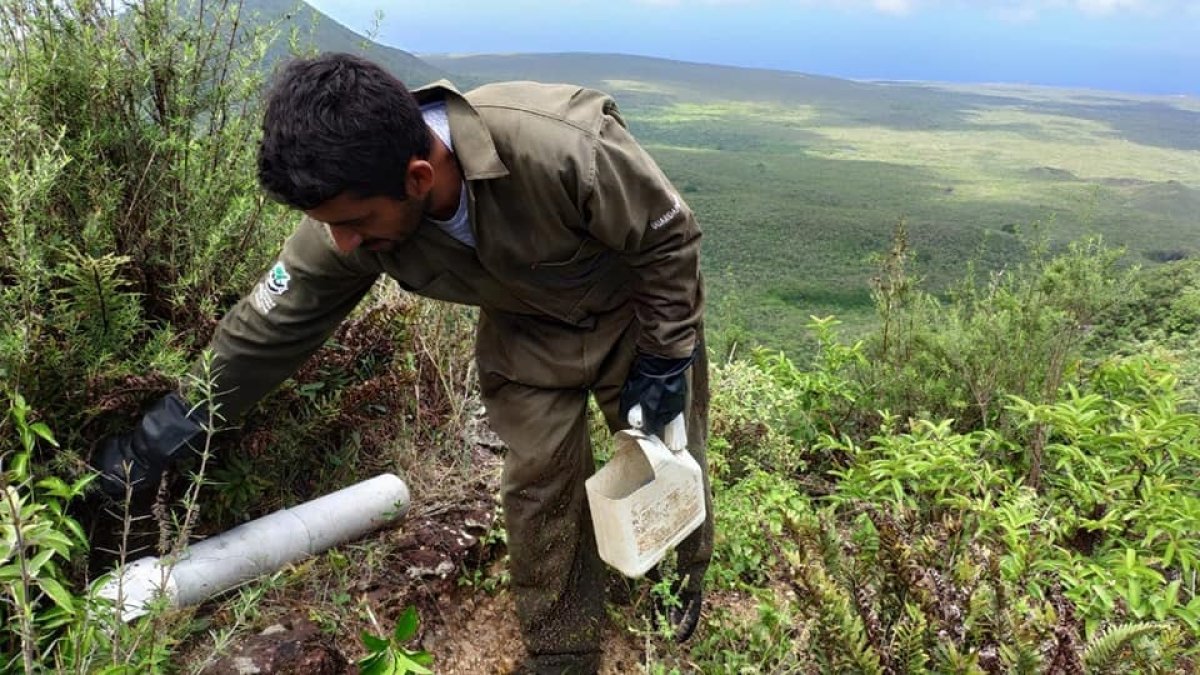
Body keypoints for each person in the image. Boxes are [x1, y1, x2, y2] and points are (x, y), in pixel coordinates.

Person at [93, 52, 713, 675]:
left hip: (633, 314)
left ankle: (680, 586)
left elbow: (668, 240)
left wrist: (665, 356)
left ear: (419, 177)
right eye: (329, 225)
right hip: (524, 334)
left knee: (665, 458)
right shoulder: (350, 210)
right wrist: (164, 432)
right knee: (538, 485)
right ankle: (563, 651)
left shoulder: (562, 145)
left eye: (356, 223)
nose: (343, 242)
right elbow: (268, 327)